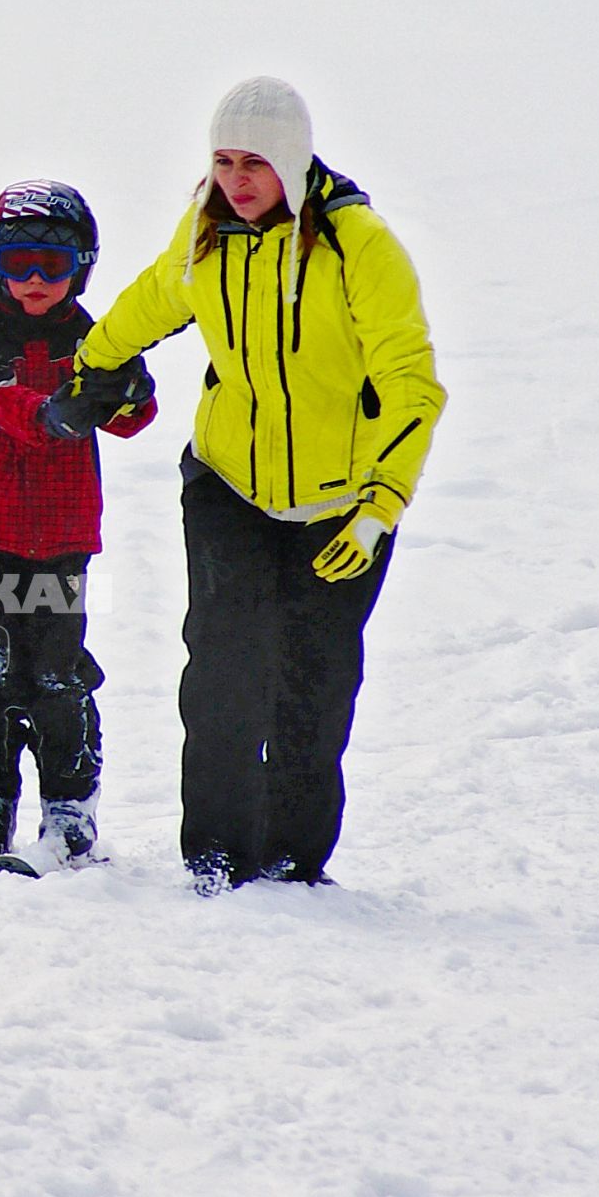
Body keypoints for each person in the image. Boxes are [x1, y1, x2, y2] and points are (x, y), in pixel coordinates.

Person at [43, 76, 445, 893]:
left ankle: (294, 860)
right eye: (223, 160)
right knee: (222, 670)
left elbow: (411, 382)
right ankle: (216, 852)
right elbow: (153, 298)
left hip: (341, 505)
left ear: (292, 163)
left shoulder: (358, 245)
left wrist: (379, 508)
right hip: (227, 485)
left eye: (254, 162)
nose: (236, 179)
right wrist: (92, 366)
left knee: (314, 676)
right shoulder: (207, 233)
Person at [0, 180, 157, 876]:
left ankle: (69, 813)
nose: (32, 281)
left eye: (51, 267)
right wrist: (50, 413)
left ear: (80, 267)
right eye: (16, 262)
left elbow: (129, 419)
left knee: (55, 670)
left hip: (60, 535)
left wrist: (126, 391)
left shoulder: (98, 339)